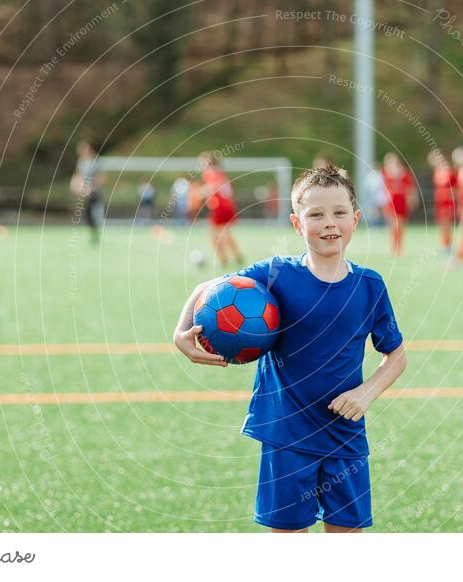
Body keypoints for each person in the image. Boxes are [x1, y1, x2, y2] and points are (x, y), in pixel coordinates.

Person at [173, 164, 407, 533]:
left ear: (355, 219)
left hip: (344, 435)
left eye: (339, 213)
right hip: (286, 436)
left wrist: (366, 393)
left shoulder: (370, 286)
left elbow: (396, 356)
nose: (329, 222)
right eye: (316, 214)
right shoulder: (275, 274)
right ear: (298, 224)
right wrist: (180, 332)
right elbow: (208, 286)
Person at [198, 151, 243, 268]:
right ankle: (237, 256)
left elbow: (213, 186)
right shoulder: (220, 172)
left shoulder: (210, 172)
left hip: (219, 207)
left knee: (214, 235)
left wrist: (199, 193)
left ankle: (223, 259)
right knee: (225, 233)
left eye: (202, 162)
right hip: (227, 206)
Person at [381, 152, 417, 256]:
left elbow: (410, 188)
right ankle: (393, 247)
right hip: (391, 203)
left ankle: (400, 247)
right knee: (392, 226)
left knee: (400, 226)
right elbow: (384, 189)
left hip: (401, 202)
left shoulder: (404, 174)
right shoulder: (386, 174)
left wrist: (412, 199)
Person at [70, 139, 104, 244]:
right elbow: (78, 175)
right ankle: (92, 233)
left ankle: (96, 233)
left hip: (94, 192)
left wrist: (92, 187)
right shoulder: (81, 162)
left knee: (94, 212)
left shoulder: (95, 161)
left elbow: (100, 177)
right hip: (84, 192)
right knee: (87, 214)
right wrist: (75, 184)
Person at [428, 150, 457, 256]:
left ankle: (449, 245)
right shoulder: (437, 171)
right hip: (440, 201)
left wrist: (451, 197)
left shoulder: (450, 171)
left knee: (447, 223)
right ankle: (444, 244)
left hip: (448, 201)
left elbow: (455, 188)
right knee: (441, 223)